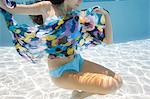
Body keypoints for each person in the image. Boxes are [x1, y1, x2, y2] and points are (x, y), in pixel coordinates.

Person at [0, 0, 123, 98]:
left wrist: (106, 15)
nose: (80, 1)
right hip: (61, 72)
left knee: (118, 80)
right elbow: (10, 7)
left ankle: (79, 95)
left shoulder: (78, 16)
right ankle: (78, 96)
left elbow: (108, 41)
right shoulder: (47, 7)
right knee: (110, 85)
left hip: (77, 61)